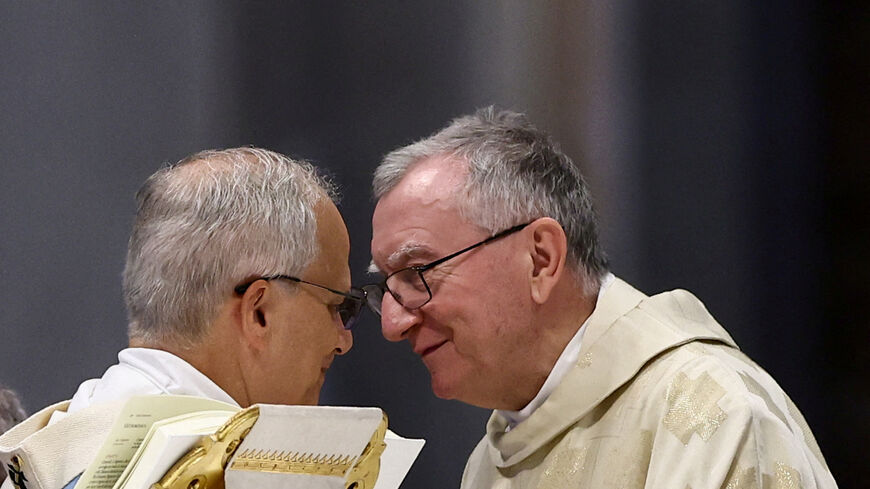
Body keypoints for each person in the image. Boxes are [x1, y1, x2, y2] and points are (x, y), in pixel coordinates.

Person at [366, 108, 837, 488]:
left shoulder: (712, 417)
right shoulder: (492, 462)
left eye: (417, 273)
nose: (392, 323)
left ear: (541, 259)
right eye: (385, 286)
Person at [0, 148, 362, 489]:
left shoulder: (65, 441)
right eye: (336, 306)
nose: (343, 340)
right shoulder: (224, 473)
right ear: (259, 312)